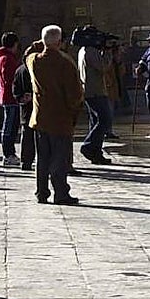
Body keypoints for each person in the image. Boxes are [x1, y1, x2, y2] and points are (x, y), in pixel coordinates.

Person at [27, 25, 84, 205]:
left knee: (42, 158)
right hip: (60, 119)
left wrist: (43, 42)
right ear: (60, 42)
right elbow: (75, 94)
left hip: (40, 118)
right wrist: (74, 111)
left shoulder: (34, 61)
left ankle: (41, 192)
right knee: (59, 158)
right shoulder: (65, 63)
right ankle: (61, 193)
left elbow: (27, 53)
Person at [77, 30, 114, 163]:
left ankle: (95, 153)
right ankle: (89, 146)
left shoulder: (83, 50)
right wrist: (108, 51)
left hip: (90, 90)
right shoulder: (91, 51)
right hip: (95, 91)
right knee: (105, 120)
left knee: (95, 121)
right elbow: (103, 67)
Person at [12, 41, 42, 171]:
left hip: (29, 109)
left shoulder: (22, 69)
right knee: (32, 136)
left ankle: (27, 161)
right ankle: (29, 161)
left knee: (29, 136)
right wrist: (21, 97)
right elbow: (15, 88)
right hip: (32, 108)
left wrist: (20, 97)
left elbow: (15, 89)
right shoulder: (25, 70)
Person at [0, 32, 23, 167]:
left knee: (12, 127)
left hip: (9, 97)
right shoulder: (7, 59)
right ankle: (8, 154)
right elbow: (9, 79)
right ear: (14, 44)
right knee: (9, 127)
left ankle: (10, 153)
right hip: (10, 97)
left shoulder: (5, 57)